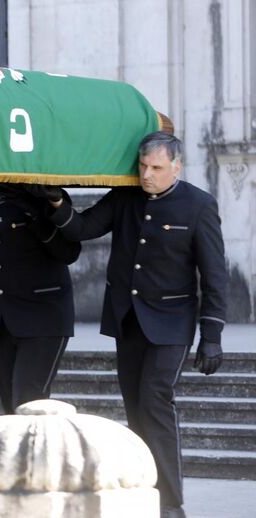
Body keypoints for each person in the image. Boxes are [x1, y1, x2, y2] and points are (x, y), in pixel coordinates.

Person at [37, 132, 227, 518]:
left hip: (172, 322)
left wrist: (212, 336)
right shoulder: (126, 196)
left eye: (156, 167)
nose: (146, 174)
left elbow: (214, 276)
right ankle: (145, 491)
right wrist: (56, 200)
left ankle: (171, 503)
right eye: (142, 166)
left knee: (156, 400)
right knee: (136, 408)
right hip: (129, 319)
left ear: (177, 166)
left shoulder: (199, 205)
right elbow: (84, 228)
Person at [0, 187, 81, 414]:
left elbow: (69, 252)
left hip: (44, 315)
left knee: (28, 403)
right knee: (10, 410)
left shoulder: (44, 194)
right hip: (2, 317)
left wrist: (37, 215)